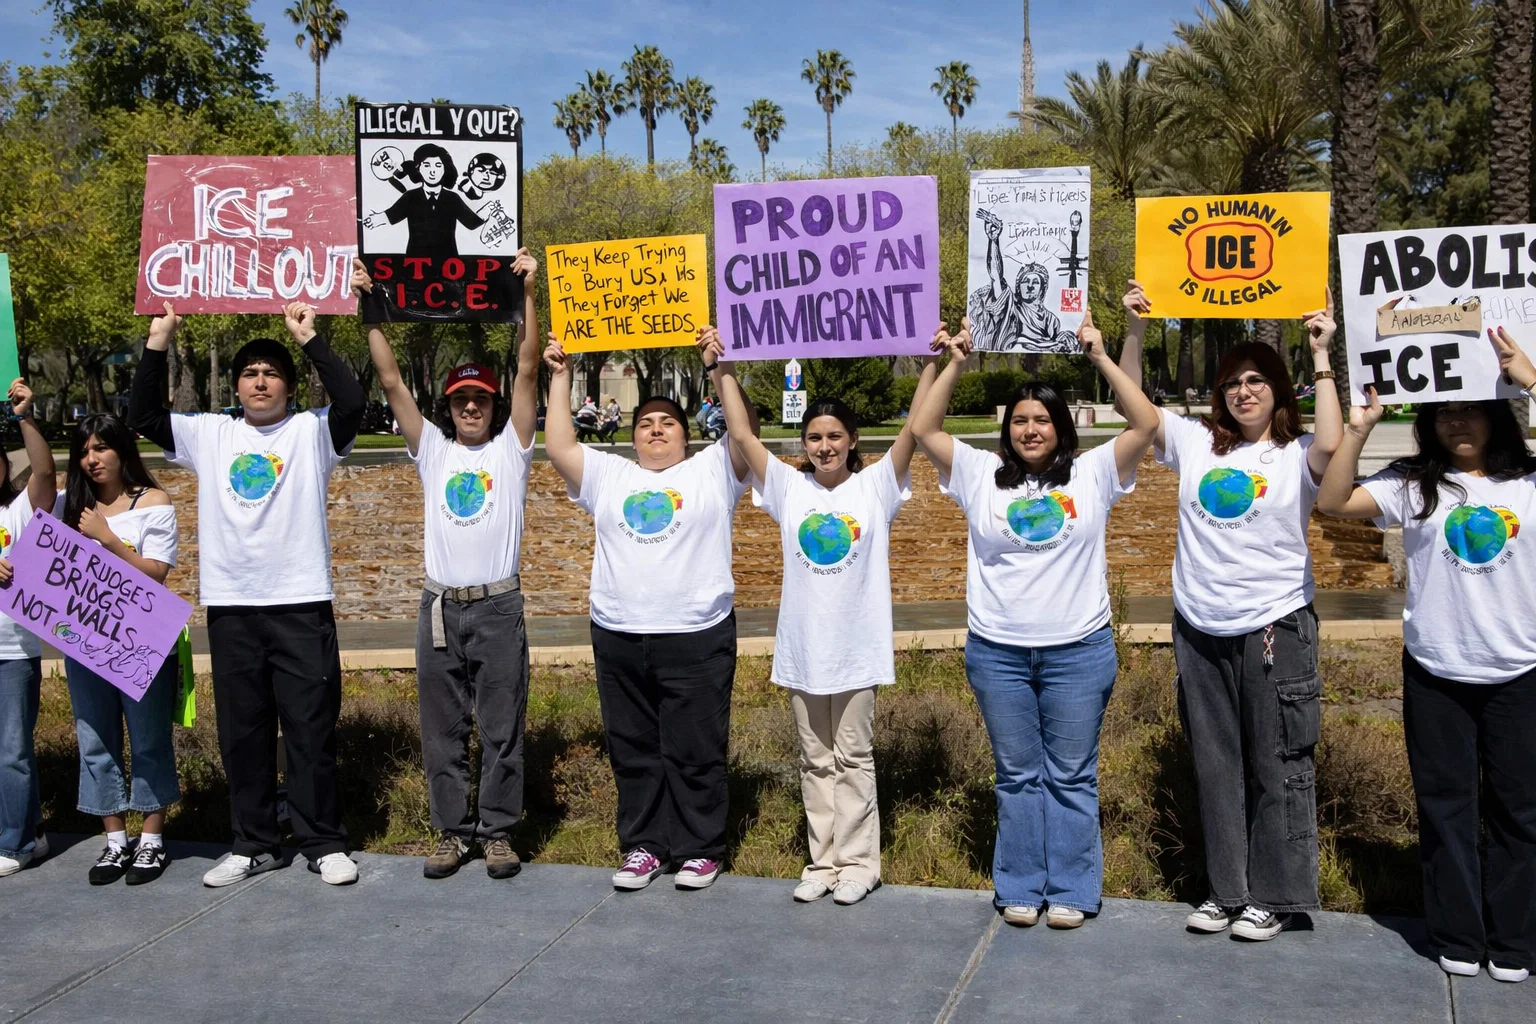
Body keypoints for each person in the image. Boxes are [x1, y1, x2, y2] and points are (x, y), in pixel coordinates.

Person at [911, 306, 1158, 928]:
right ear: (1006, 430)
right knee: (1017, 775)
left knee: (1072, 775)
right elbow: (923, 426)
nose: (1030, 429)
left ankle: (1073, 889)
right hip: (998, 653)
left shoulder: (1095, 472)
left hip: (1078, 651)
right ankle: (1020, 884)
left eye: (1041, 419)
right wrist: (956, 362)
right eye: (1019, 421)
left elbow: (1146, 421)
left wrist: (1101, 353)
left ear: (1061, 427)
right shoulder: (975, 474)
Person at [1119, 284, 1343, 940]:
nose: (1244, 391)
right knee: (1216, 765)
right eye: (1233, 382)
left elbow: (1332, 444)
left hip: (1274, 625)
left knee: (1276, 762)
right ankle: (1228, 890)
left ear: (1277, 388)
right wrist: (1132, 332)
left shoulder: (1295, 456)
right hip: (1201, 627)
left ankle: (1273, 896)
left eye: (1256, 380)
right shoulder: (1193, 443)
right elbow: (1134, 411)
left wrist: (1322, 356)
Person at [1316, 326, 1536, 984]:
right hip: (1437, 671)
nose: (1457, 422)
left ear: (1496, 414)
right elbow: (1331, 501)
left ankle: (1516, 939)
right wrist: (1358, 429)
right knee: (1443, 809)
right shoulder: (1413, 485)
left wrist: (1531, 377)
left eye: (1469, 408)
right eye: (1444, 411)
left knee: (1520, 813)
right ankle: (1459, 934)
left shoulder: (1528, 482)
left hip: (1520, 671)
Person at [129, 299, 366, 888]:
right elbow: (143, 415)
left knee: (310, 729)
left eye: (272, 372)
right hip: (233, 607)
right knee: (243, 731)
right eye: (250, 373)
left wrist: (310, 340)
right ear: (237, 386)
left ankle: (323, 841)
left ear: (288, 385)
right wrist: (159, 339)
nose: (260, 381)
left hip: (300, 602)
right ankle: (252, 841)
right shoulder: (211, 432)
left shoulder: (313, 431)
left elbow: (354, 402)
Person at [702, 326, 938, 906]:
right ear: (803, 443)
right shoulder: (786, 486)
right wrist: (721, 367)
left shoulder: (878, 486)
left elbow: (914, 428)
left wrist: (932, 365)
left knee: (853, 756)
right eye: (814, 437)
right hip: (804, 649)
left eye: (834, 436)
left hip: (856, 650)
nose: (824, 446)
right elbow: (740, 433)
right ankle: (823, 859)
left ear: (853, 440)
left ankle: (860, 863)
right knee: (813, 758)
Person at [541, 333, 759, 892]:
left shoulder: (713, 470)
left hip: (696, 635)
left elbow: (743, 434)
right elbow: (561, 447)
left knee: (695, 749)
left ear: (687, 437)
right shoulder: (611, 475)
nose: (656, 429)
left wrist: (720, 370)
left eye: (667, 422)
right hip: (619, 634)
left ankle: (699, 848)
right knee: (634, 748)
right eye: (645, 423)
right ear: (632, 438)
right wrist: (561, 376)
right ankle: (644, 845)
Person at [355, 250, 541, 881]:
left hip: (497, 607)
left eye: (479, 400)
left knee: (501, 728)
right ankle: (450, 832)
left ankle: (497, 832)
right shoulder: (431, 450)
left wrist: (527, 297)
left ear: (492, 406)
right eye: (460, 400)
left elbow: (525, 368)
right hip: (439, 606)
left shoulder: (512, 451)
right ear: (448, 406)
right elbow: (391, 383)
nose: (470, 408)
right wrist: (370, 307)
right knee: (441, 730)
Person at [60, 413, 181, 886]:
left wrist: (107, 539)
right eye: (84, 451)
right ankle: (115, 841)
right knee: (96, 740)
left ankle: (151, 839)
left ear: (121, 451)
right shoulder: (71, 506)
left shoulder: (153, 501)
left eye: (101, 448)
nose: (92, 460)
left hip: (141, 642)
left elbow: (155, 573)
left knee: (149, 738)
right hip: (85, 642)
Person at [0, 380, 57, 878]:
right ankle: (33, 833)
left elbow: (44, 471)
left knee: (12, 751)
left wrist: (25, 416)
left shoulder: (17, 510)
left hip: (13, 651)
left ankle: (13, 844)